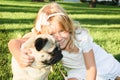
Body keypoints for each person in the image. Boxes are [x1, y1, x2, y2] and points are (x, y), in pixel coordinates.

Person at [8, 2, 120, 80]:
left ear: (68, 27)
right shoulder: (44, 39)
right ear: (44, 34)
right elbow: (14, 42)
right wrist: (18, 55)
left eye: (62, 31)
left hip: (99, 63)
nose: (58, 37)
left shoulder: (81, 37)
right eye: (52, 34)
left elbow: (91, 68)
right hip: (76, 71)